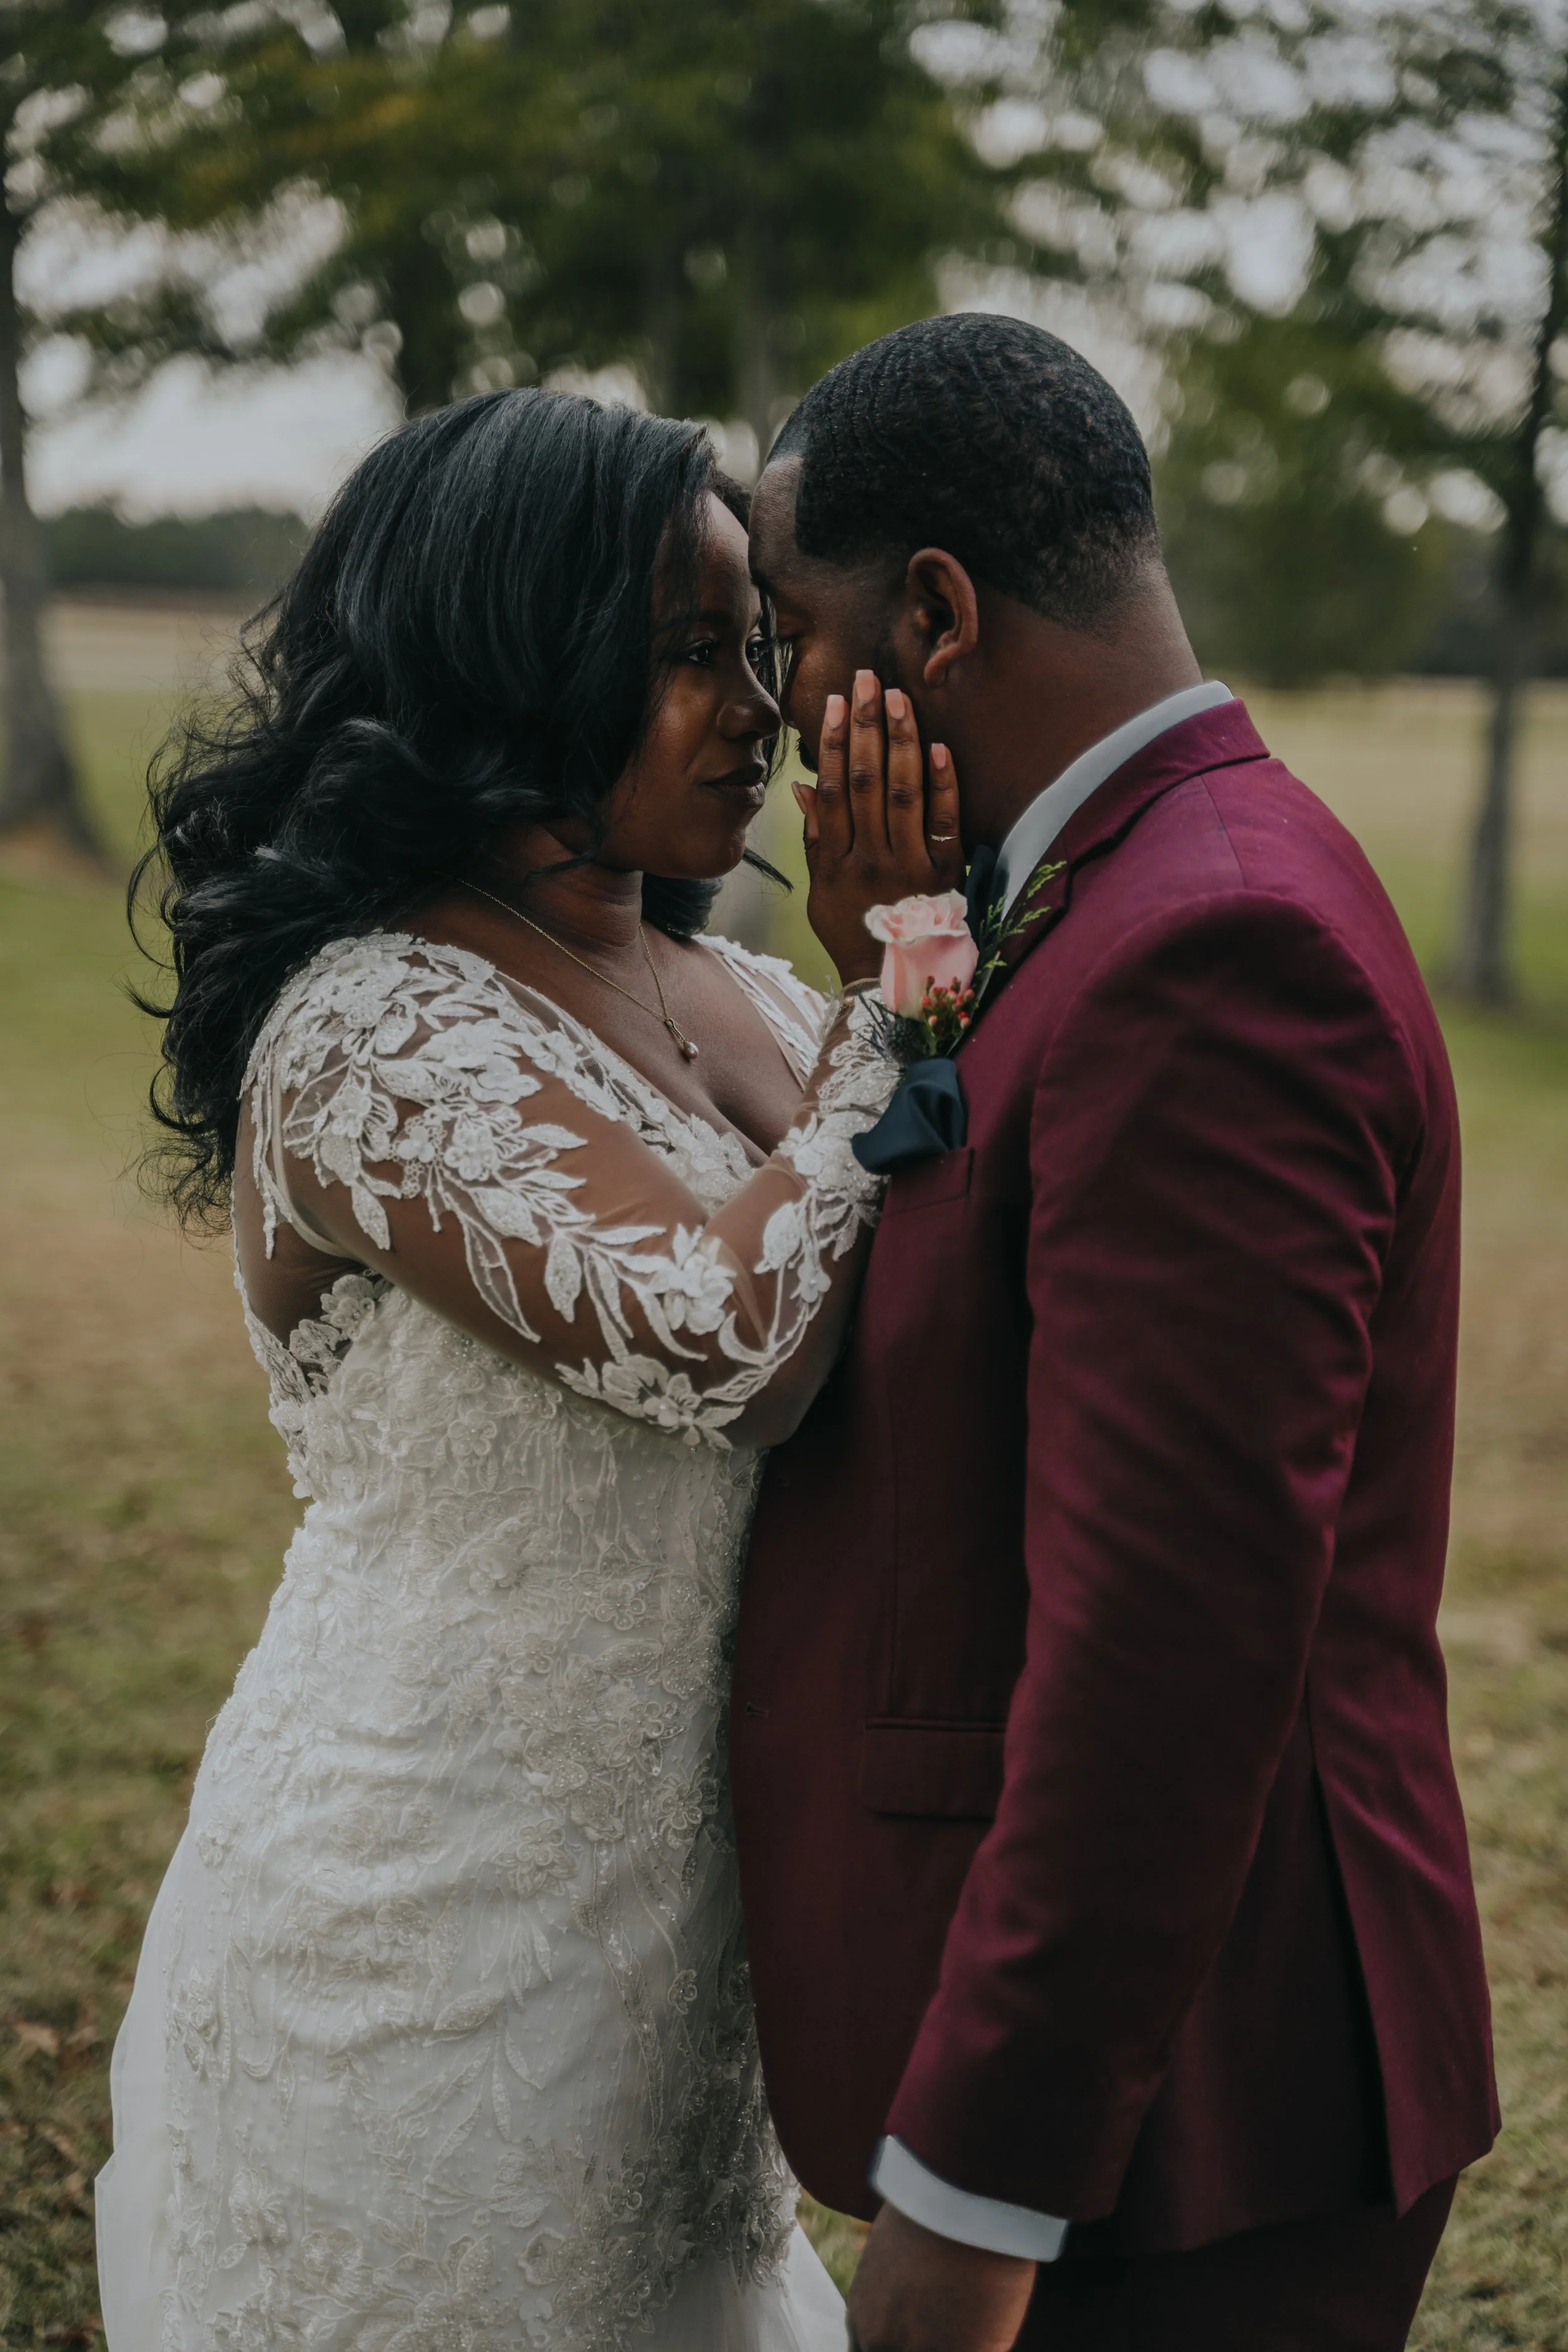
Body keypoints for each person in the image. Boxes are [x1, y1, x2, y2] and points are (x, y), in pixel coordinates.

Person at [95, 388, 961, 2351]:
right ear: (507, 658)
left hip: (697, 1950)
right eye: (683, 649)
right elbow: (727, 1335)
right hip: (419, 1937)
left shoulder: (749, 989)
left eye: (755, 640)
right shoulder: (366, 1034)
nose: (756, 704)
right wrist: (910, 962)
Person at [733, 313, 1498, 2351]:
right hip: (1159, 2102)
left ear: (935, 613)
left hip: (1187, 2132)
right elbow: (987, 1220)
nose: (790, 708)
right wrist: (901, 959)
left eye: (795, 637)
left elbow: (1166, 1648)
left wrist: (976, 2197)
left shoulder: (1215, 946)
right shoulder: (1102, 880)